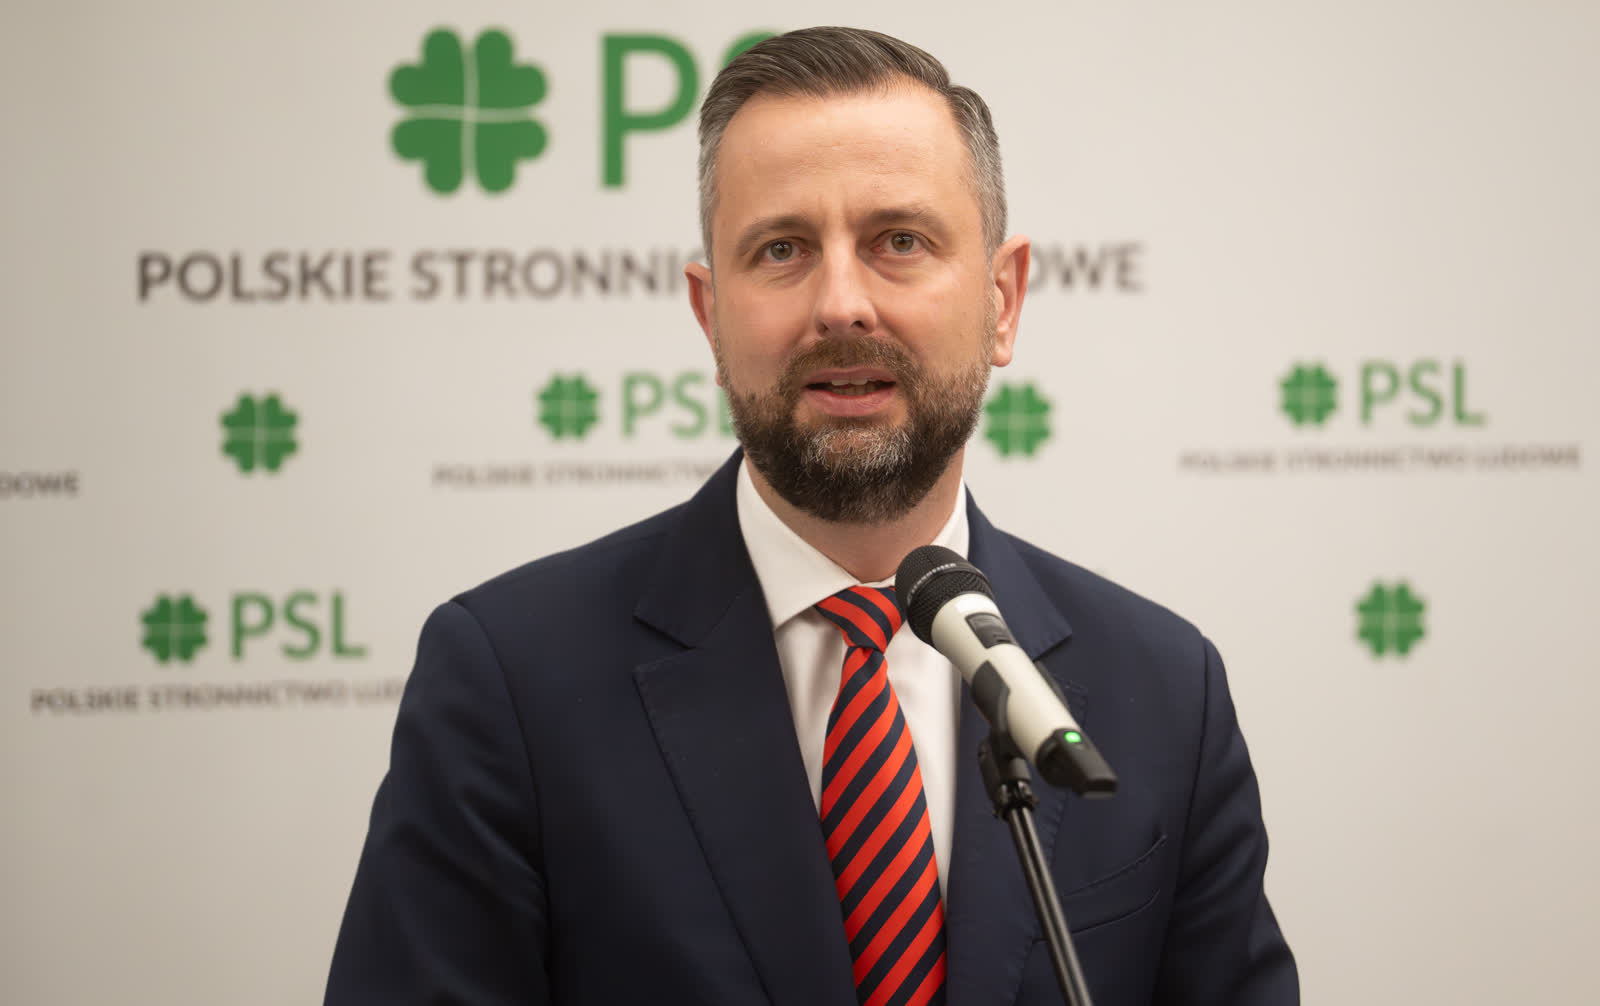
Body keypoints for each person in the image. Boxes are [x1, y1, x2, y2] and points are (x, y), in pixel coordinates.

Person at [326, 26, 1298, 1006]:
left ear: (1002, 301)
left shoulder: (1163, 691)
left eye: (899, 242)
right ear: (710, 316)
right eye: (782, 250)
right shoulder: (510, 682)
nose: (841, 304)